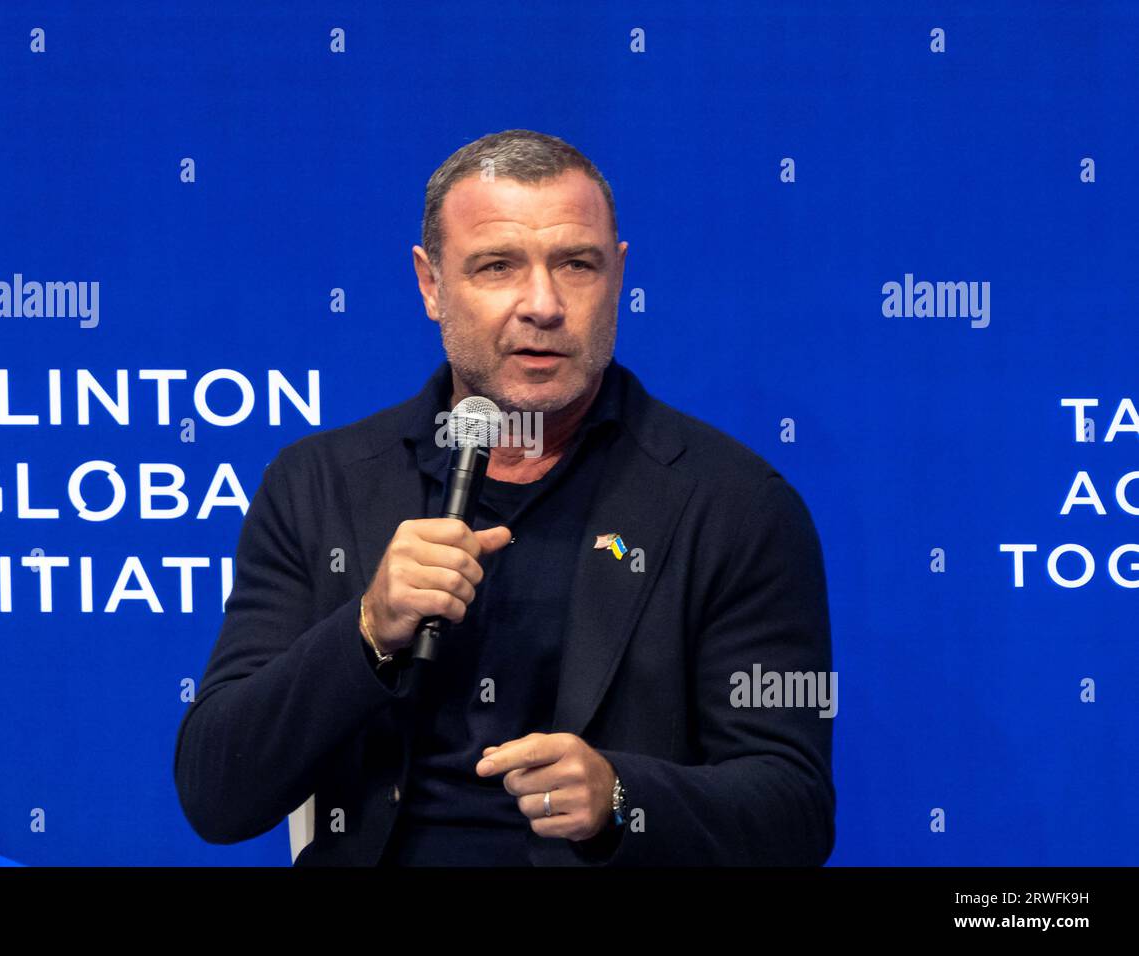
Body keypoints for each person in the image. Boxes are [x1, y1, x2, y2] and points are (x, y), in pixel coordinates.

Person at [174, 129, 835, 866]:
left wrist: (621, 797)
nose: (543, 305)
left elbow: (795, 811)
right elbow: (216, 791)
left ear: (618, 277)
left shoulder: (736, 505)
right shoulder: (318, 484)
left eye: (576, 265)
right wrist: (366, 630)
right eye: (497, 267)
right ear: (430, 284)